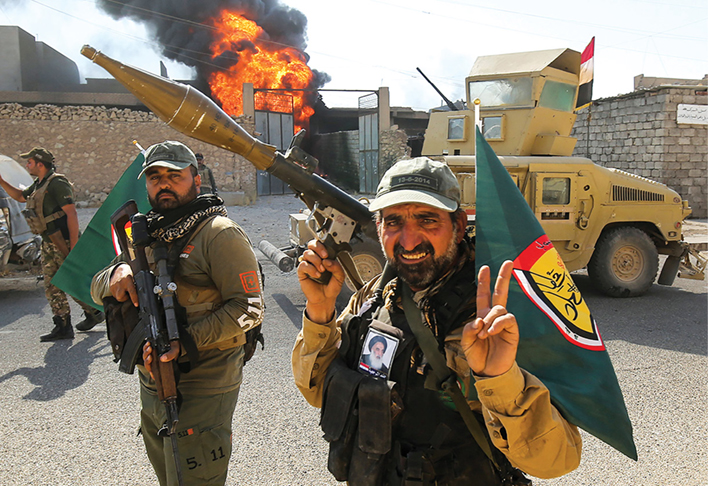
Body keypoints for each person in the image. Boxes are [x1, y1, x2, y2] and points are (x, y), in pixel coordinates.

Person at [292, 157, 582, 485]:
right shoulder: (374, 296)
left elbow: (557, 460)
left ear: (459, 225)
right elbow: (317, 392)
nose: (409, 239)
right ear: (378, 228)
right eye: (394, 221)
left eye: (427, 220)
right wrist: (319, 310)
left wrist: (499, 377)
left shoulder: (493, 319)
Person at [90, 140, 264, 486]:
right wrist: (115, 275)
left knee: (195, 478)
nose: (164, 184)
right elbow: (95, 289)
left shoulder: (218, 234)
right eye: (155, 177)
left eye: (174, 175)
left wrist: (186, 340)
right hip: (153, 379)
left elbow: (250, 308)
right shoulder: (143, 232)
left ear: (195, 179)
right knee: (169, 477)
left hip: (205, 380)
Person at [0, 147, 104, 341]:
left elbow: (71, 213)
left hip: (62, 240)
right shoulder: (39, 184)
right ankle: (64, 325)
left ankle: (93, 312)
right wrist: (1, 181)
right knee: (52, 284)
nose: (26, 165)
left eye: (29, 162)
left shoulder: (57, 183)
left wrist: (73, 246)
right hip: (49, 241)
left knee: (69, 281)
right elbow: (20, 196)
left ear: (41, 164)